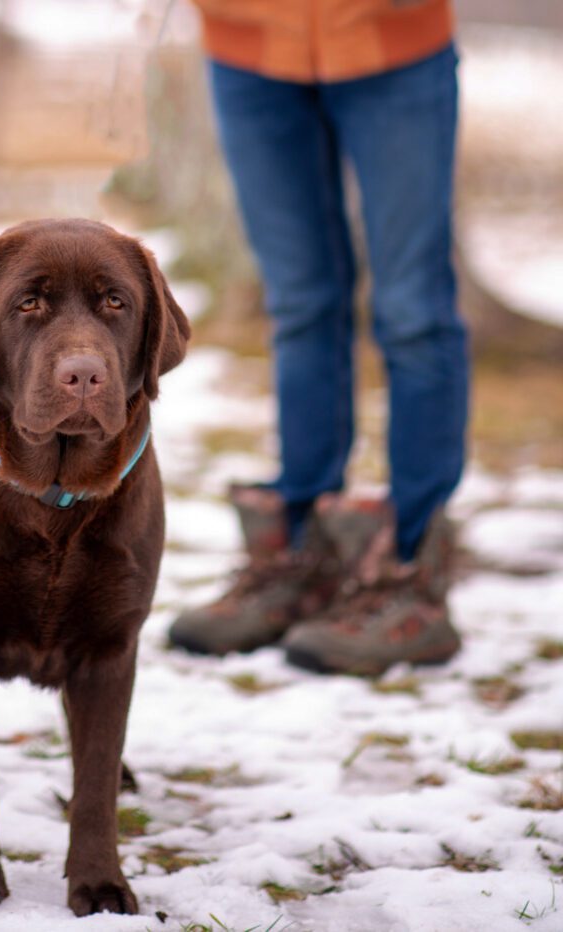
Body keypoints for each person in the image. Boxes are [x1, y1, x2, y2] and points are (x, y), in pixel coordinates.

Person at [168, 0, 469, 676]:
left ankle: (406, 576)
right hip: (246, 40)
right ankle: (301, 560)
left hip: (393, 38)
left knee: (412, 309)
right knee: (300, 305)